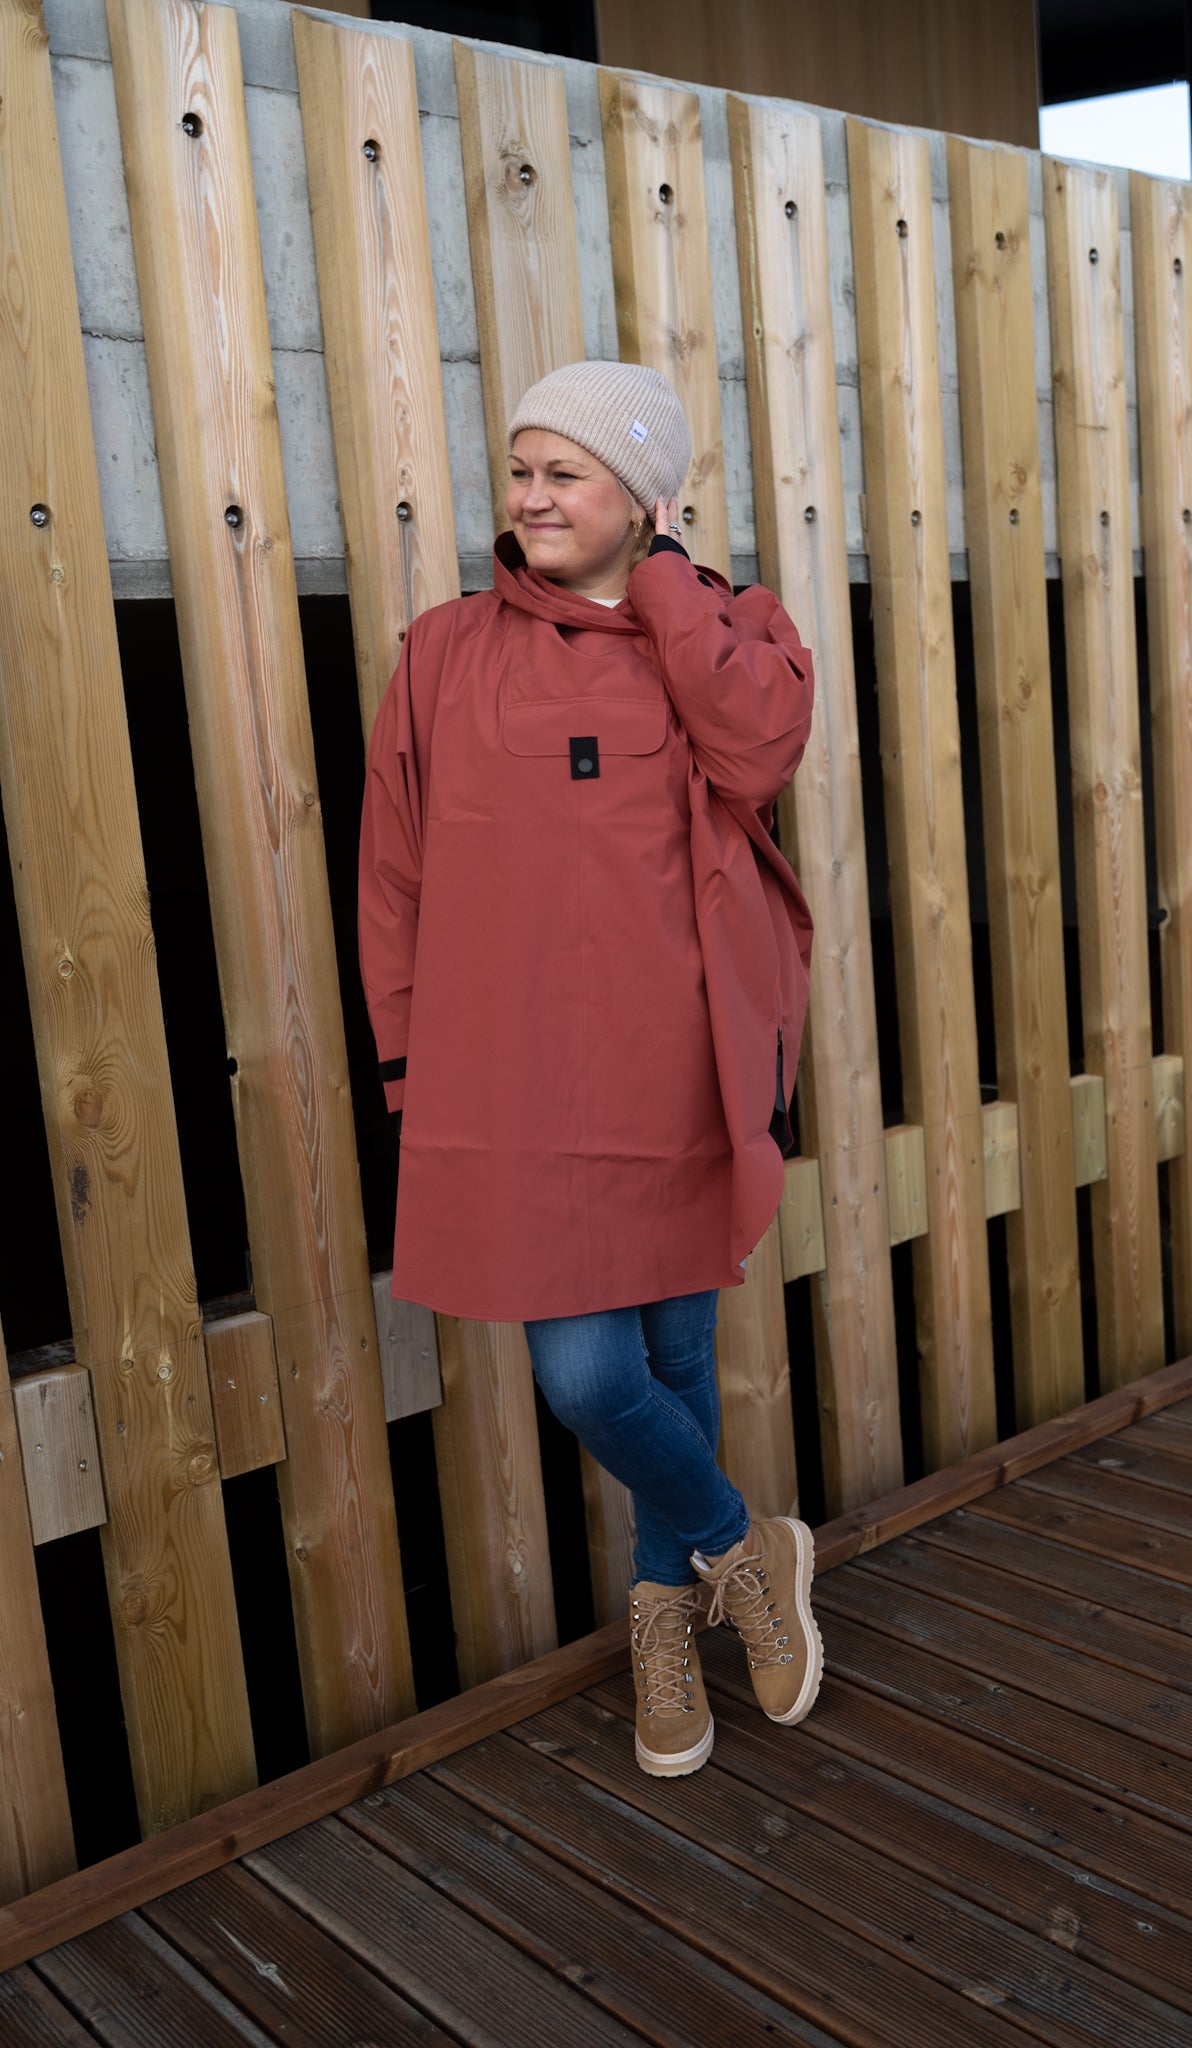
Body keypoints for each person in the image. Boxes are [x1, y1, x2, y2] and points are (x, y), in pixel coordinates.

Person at [358, 359, 821, 1777]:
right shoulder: (446, 650)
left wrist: (669, 583)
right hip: (509, 1077)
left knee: (675, 1357)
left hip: (672, 1061)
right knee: (585, 1376)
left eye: (566, 473)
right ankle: (741, 1548)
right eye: (521, 470)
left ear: (642, 495)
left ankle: (659, 1622)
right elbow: (395, 871)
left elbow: (757, 754)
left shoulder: (732, 630)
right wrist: (407, 1058)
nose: (531, 497)